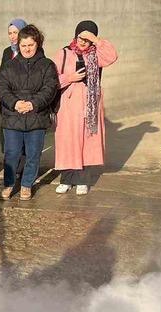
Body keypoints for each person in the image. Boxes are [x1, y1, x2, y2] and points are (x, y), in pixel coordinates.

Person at [53, 21, 118, 195]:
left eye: (87, 39)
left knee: (87, 142)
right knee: (68, 141)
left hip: (90, 105)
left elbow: (112, 56)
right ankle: (66, 179)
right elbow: (50, 80)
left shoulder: (97, 55)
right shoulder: (64, 53)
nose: (83, 42)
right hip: (68, 105)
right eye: (81, 37)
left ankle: (83, 180)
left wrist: (96, 40)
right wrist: (69, 77)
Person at [0, 24, 58, 201]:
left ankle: (26, 185)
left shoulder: (47, 65)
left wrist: (33, 104)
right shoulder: (9, 65)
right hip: (13, 116)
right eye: (23, 45)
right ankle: (9, 184)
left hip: (36, 116)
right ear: (18, 45)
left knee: (33, 154)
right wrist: (15, 103)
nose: (27, 49)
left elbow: (50, 88)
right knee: (12, 153)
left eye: (30, 45)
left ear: (37, 44)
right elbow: (2, 87)